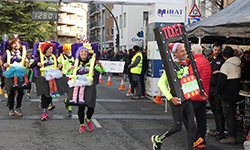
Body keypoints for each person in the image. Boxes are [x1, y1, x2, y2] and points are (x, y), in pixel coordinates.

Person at [151, 43, 204, 150]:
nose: (185, 53)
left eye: (185, 50)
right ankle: (157, 139)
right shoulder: (172, 66)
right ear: (175, 53)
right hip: (177, 100)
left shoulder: (185, 64)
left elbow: (188, 81)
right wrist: (171, 98)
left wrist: (199, 92)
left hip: (187, 99)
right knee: (178, 127)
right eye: (181, 51)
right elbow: (161, 84)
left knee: (192, 127)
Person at [64, 46, 105, 133]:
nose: (83, 53)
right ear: (79, 53)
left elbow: (102, 71)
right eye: (82, 52)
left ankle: (88, 119)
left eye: (85, 52)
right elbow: (66, 72)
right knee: (81, 107)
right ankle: (82, 124)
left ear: (87, 54)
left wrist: (100, 66)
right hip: (79, 86)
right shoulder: (76, 63)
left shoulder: (92, 62)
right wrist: (69, 69)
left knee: (91, 106)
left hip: (90, 86)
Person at [30, 41, 68, 121]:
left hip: (52, 78)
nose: (51, 50)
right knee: (44, 95)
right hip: (44, 78)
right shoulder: (41, 57)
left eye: (52, 49)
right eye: (49, 49)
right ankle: (44, 112)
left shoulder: (53, 57)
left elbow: (58, 66)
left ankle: (46, 109)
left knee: (49, 96)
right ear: (46, 49)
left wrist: (59, 66)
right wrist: (37, 64)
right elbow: (32, 65)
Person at [217, 46, 241, 144]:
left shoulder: (226, 66)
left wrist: (218, 92)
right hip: (235, 93)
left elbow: (221, 82)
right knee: (232, 114)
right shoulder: (238, 63)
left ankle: (231, 136)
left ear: (224, 56)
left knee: (228, 115)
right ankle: (232, 134)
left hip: (227, 94)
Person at [189, 44, 211, 149]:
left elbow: (191, 79)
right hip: (204, 94)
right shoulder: (206, 61)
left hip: (194, 95)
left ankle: (194, 139)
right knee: (201, 118)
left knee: (188, 118)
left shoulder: (194, 63)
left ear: (193, 53)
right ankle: (201, 139)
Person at [1, 38, 29, 116]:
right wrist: (3, 64)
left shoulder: (22, 53)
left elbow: (26, 61)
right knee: (11, 91)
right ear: (11, 45)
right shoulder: (7, 53)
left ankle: (18, 107)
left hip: (20, 73)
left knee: (21, 91)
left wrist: (27, 63)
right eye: (14, 43)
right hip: (10, 73)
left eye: (18, 43)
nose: (16, 44)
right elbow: (1, 60)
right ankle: (11, 108)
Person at [207, 42, 226, 140]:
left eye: (218, 50)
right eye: (215, 50)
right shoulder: (209, 60)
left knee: (219, 111)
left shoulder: (222, 61)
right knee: (214, 110)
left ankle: (221, 132)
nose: (217, 52)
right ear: (212, 50)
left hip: (217, 89)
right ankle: (217, 129)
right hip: (209, 88)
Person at [57, 44, 74, 117]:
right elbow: (56, 65)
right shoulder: (61, 58)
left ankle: (66, 101)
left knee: (72, 93)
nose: (68, 51)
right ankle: (69, 109)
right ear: (64, 50)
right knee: (68, 92)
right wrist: (58, 66)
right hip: (64, 77)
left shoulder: (74, 58)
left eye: (69, 50)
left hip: (72, 77)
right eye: (66, 50)